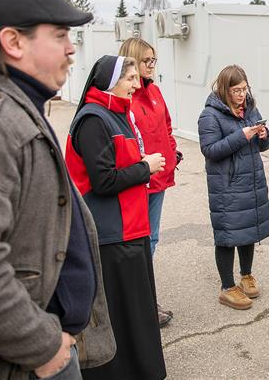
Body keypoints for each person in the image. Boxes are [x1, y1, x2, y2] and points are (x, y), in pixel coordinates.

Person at [0, 0, 115, 379]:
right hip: (21, 360)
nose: (72, 48)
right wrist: (41, 344)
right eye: (59, 35)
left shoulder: (18, 110)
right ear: (13, 42)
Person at [65, 55, 167, 380]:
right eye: (130, 79)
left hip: (130, 230)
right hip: (111, 236)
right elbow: (104, 181)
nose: (137, 85)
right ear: (110, 82)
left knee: (135, 313)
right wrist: (145, 167)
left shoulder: (115, 114)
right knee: (121, 316)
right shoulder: (94, 120)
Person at [198, 65, 269, 310]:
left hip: (250, 182)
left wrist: (264, 135)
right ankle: (227, 287)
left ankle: (247, 274)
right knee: (228, 235)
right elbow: (210, 150)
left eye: (244, 89)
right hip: (227, 185)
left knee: (248, 229)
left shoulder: (249, 109)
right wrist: (243, 135)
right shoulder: (210, 115)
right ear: (224, 89)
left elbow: (263, 147)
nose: (242, 94)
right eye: (236, 90)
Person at [118, 37, 181, 327]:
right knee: (137, 243)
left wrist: (171, 151)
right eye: (147, 61)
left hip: (159, 178)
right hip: (138, 181)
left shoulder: (154, 91)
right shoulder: (126, 97)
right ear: (131, 60)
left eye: (154, 60)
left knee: (151, 240)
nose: (152, 66)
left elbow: (165, 124)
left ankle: (145, 299)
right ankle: (139, 304)